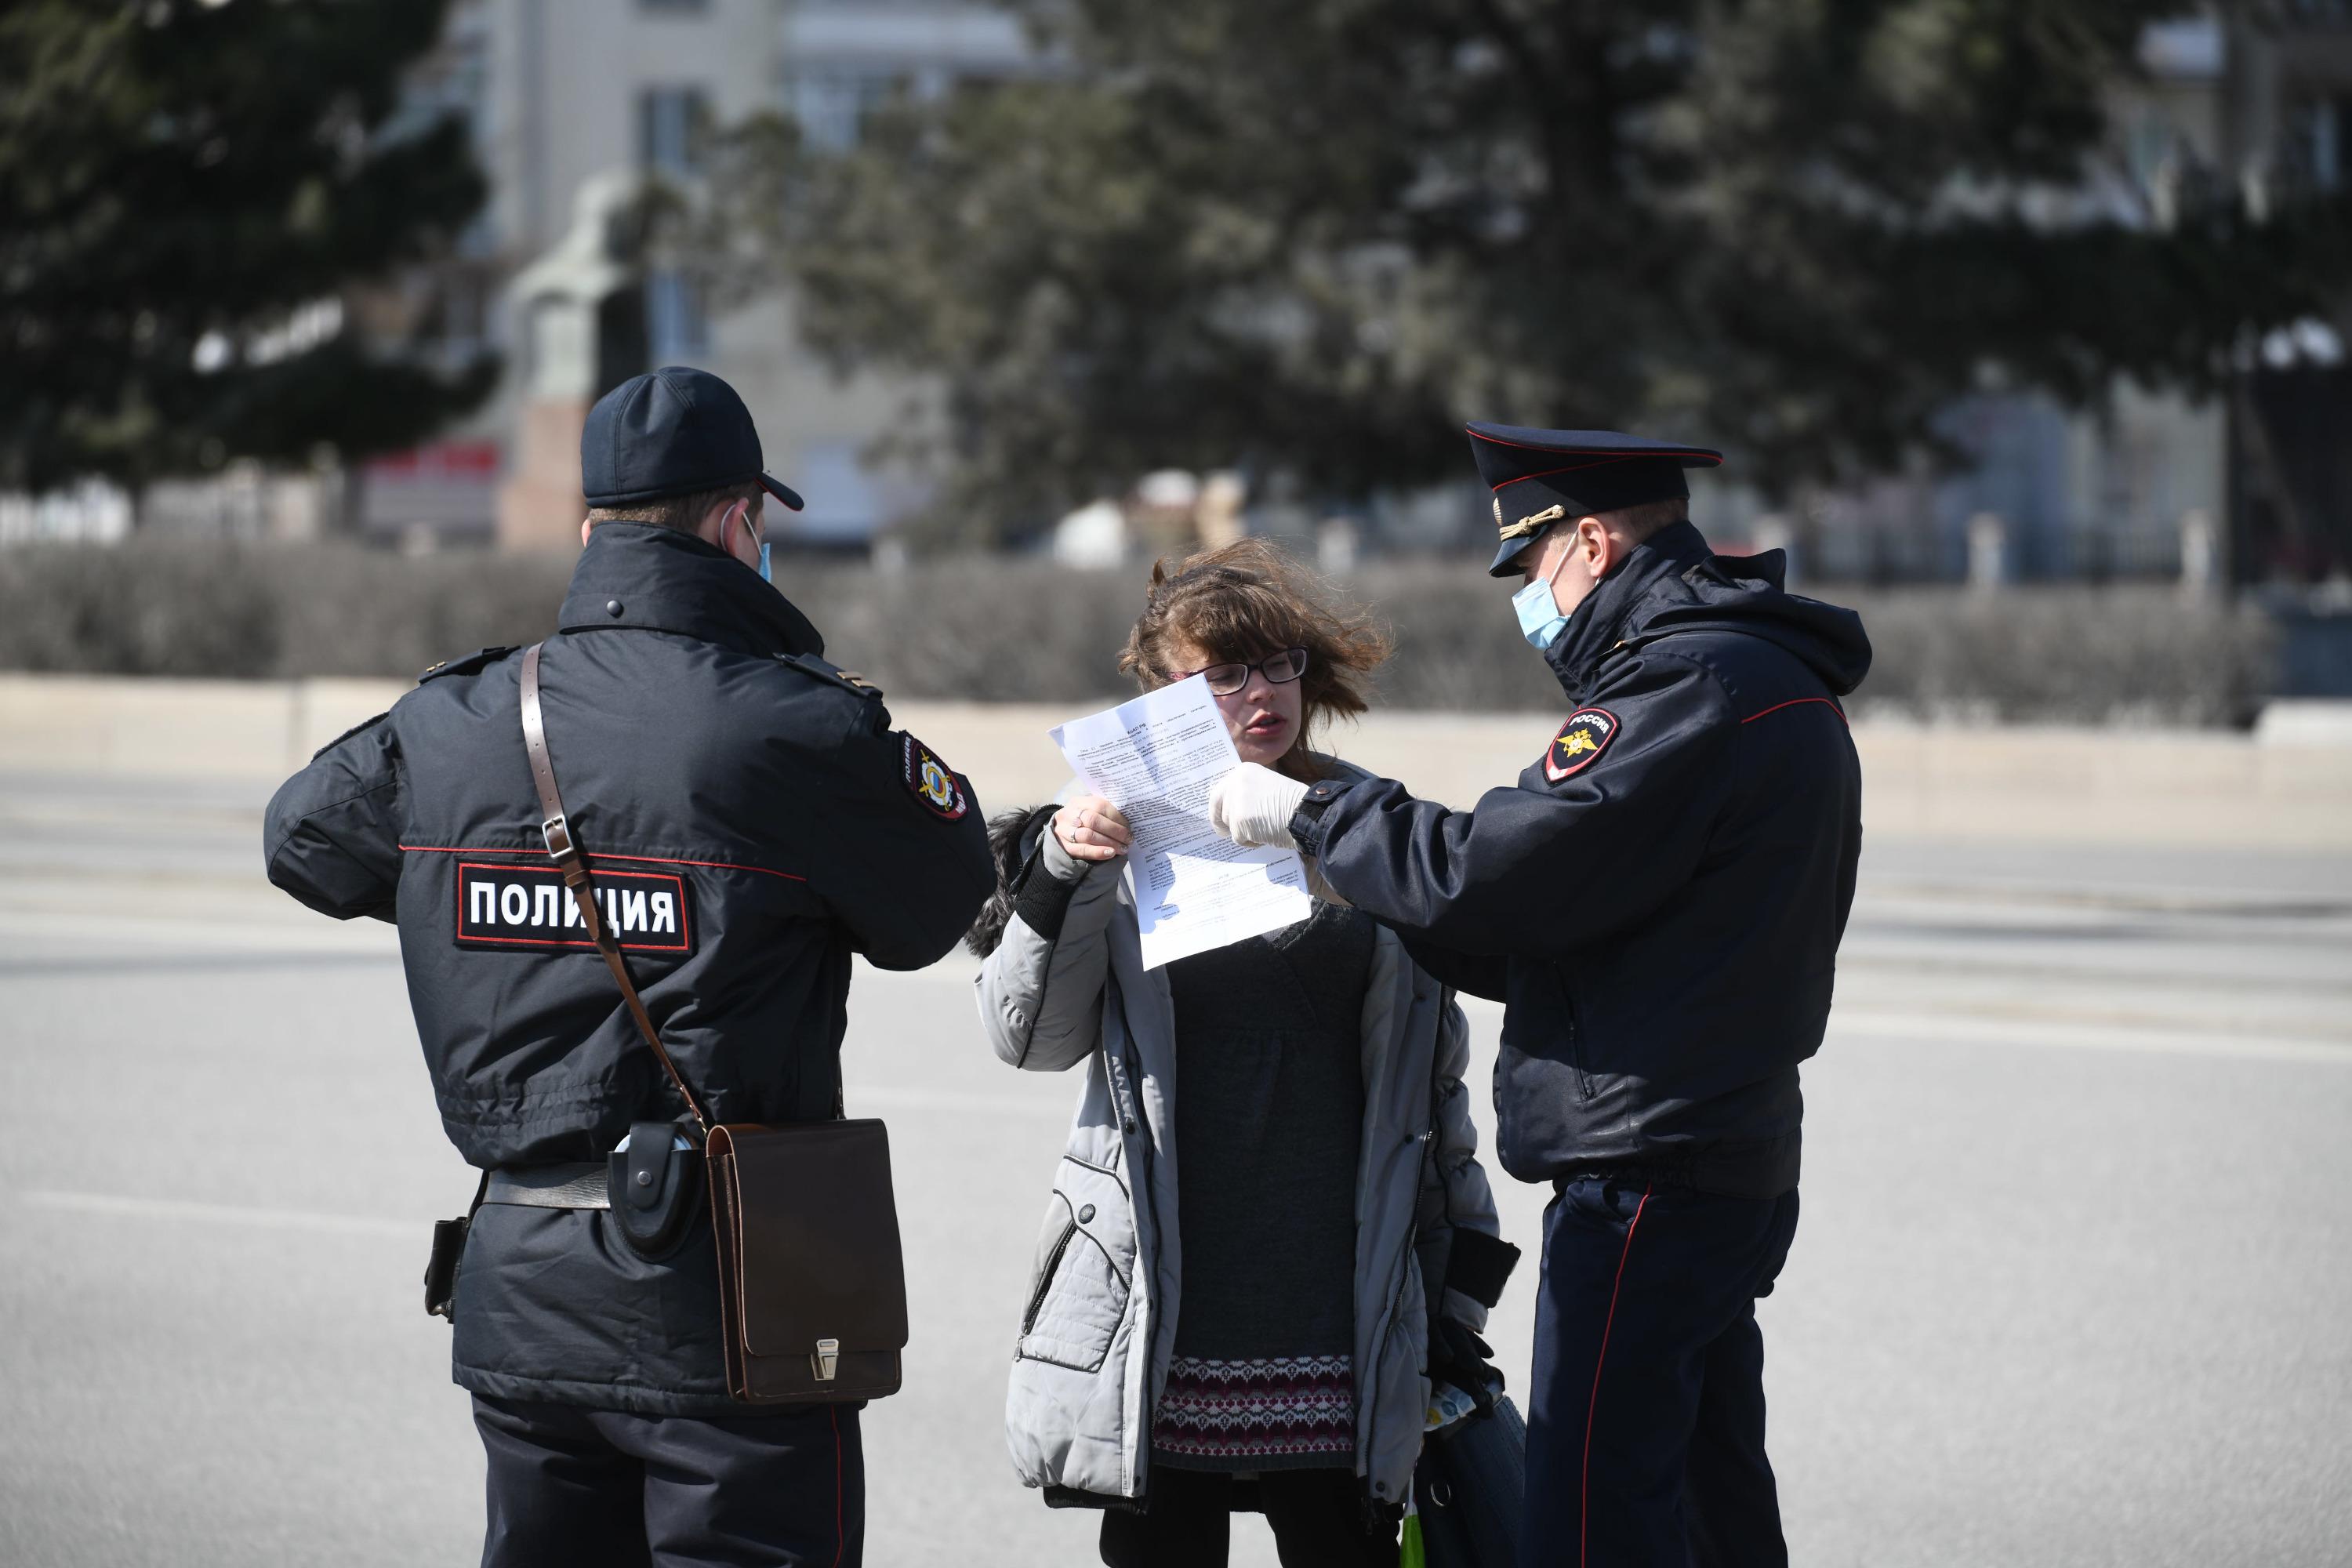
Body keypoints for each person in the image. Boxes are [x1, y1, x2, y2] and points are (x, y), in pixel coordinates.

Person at [261, 365, 993, 1567]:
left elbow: (304, 843)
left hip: (522, 1292)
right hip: (731, 1306)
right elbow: (940, 902)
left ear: (593, 529)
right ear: (736, 523)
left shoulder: (458, 718)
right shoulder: (791, 729)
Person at [1208, 424, 1871, 1567]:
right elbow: (1567, 928)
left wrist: (1316, 816)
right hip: (1729, 1143)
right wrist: (1384, 874)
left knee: (1594, 1518)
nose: (1533, 600)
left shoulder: (1679, 683)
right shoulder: (1760, 670)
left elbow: (1501, 877)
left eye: (1537, 565)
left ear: (1595, 545)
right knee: (1712, 1503)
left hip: (1649, 1168)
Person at [967, 539, 1520, 1568]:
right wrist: (1059, 870)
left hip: (1338, 1314)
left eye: (1280, 665)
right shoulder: (1110, 843)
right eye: (1223, 672)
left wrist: (1458, 1292)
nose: (1261, 693)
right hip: (1166, 1310)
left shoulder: (1363, 824)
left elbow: (1434, 1094)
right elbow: (1025, 1038)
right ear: (1160, 691)